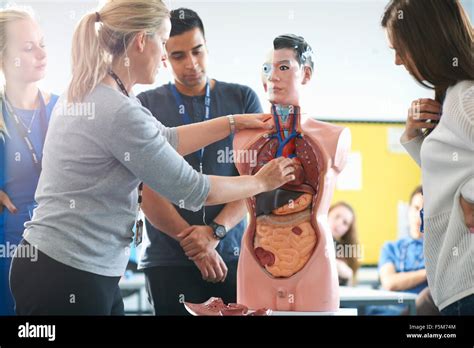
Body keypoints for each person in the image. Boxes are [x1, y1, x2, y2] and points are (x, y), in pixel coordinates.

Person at [8, 0, 296, 315]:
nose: (163, 55)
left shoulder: (104, 94)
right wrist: (260, 181)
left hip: (78, 269)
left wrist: (233, 122)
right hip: (65, 273)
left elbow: (166, 139)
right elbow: (193, 189)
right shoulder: (115, 109)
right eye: (163, 42)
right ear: (142, 41)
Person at [137, 8, 263, 315]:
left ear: (207, 46)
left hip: (232, 254)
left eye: (198, 51)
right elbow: (145, 190)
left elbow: (254, 181)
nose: (191, 64)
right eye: (179, 56)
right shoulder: (145, 105)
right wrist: (193, 245)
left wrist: (214, 233)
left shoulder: (242, 99)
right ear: (164, 56)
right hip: (168, 260)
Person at [233, 34, 351, 311]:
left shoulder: (334, 137)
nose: (272, 77)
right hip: (256, 255)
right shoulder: (243, 140)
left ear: (306, 74)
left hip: (313, 262)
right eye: (267, 68)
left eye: (283, 67)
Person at [382, 0, 473, 315]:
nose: (396, 60)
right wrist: (413, 138)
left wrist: (470, 193)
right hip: (455, 286)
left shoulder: (465, 97)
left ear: (426, 40)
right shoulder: (452, 96)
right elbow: (450, 173)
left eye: (400, 48)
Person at [0, 7, 58, 315]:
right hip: (6, 253)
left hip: (59, 254)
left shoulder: (66, 112)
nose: (41, 53)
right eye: (28, 47)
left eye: (42, 43)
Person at [328, 202, 360, 286]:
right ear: (327, 213)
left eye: (345, 223)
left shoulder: (343, 250)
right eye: (337, 216)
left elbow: (349, 284)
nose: (339, 223)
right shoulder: (308, 238)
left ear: (347, 230)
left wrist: (349, 275)